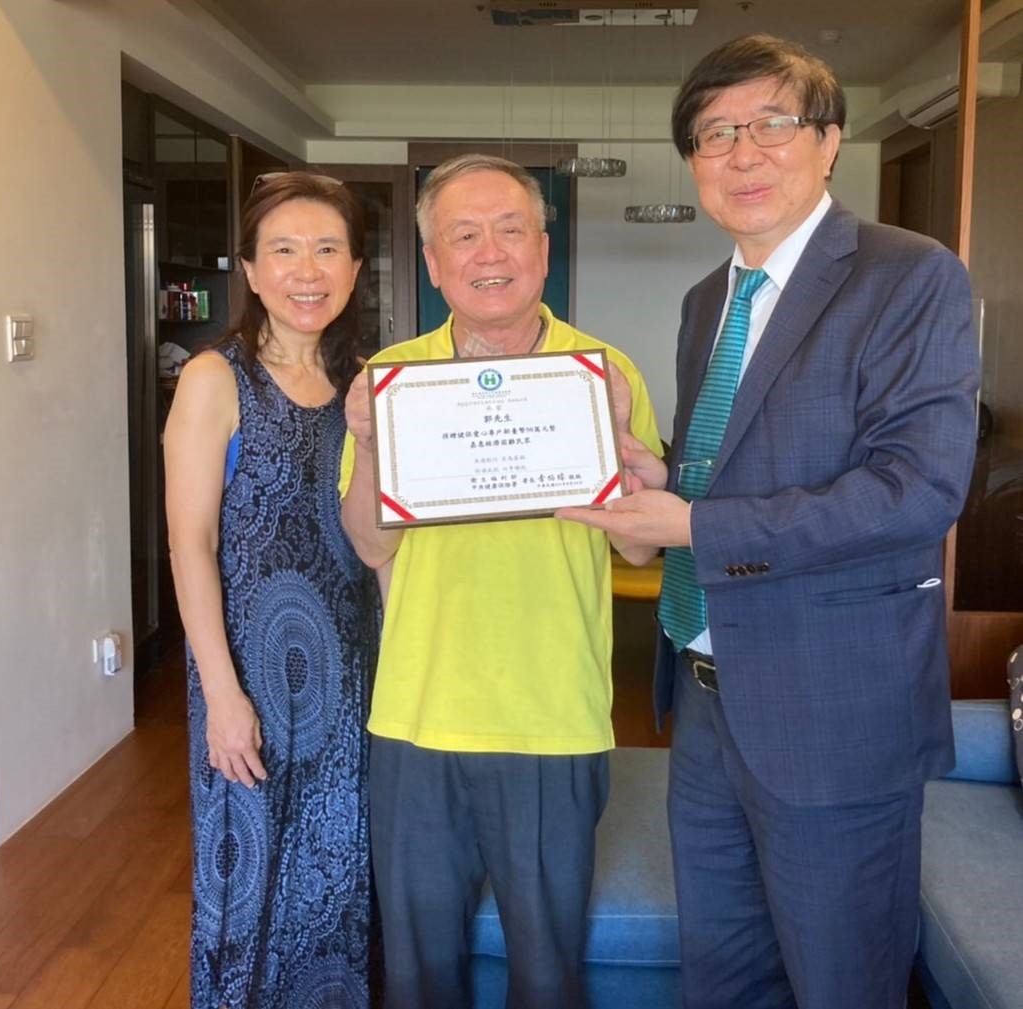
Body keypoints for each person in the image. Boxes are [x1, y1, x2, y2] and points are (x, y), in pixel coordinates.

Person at [557, 34, 980, 1009]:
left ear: (828, 142)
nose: (741, 153)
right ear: (693, 162)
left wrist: (696, 526)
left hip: (835, 706)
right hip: (705, 694)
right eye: (714, 134)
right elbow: (739, 460)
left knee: (841, 980)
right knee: (722, 975)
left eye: (771, 124)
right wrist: (660, 476)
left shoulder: (908, 276)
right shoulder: (707, 299)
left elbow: (917, 490)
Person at [338, 153, 661, 1009]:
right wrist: (367, 443)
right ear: (433, 262)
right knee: (418, 974)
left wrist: (628, 462)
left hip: (552, 715)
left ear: (542, 252)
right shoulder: (391, 380)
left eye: (510, 230)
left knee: (547, 972)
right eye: (464, 235)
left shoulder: (603, 371)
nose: (490, 252)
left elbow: (638, 553)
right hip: (417, 712)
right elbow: (369, 545)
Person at [164, 172, 381, 1009]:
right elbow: (190, 542)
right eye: (284, 250)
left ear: (354, 268)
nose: (307, 270)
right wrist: (221, 694)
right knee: (246, 874)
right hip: (248, 676)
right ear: (251, 271)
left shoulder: (365, 382)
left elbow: (380, 537)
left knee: (338, 868)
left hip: (353, 672)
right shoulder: (216, 378)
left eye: (327, 249)